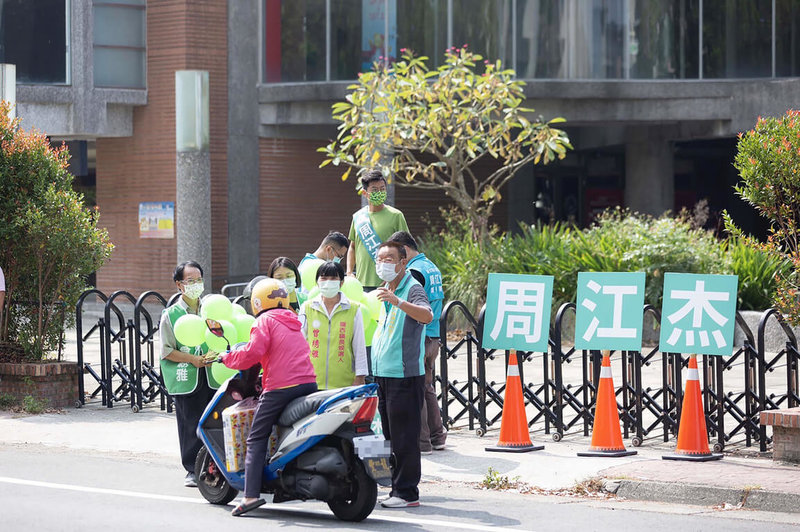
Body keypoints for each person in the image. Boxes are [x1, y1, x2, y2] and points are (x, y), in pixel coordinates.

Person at [218, 278, 318, 517]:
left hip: (281, 387)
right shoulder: (294, 319)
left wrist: (227, 357)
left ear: (257, 302)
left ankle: (250, 495)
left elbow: (253, 353)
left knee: (256, 437)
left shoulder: (264, 320)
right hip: (308, 383)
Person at [371, 241, 432, 508]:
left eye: (389, 259)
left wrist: (399, 301)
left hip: (404, 375)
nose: (383, 264)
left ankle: (407, 492)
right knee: (388, 435)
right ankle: (396, 486)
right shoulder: (385, 290)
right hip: (383, 374)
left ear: (402, 262)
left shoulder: (412, 288)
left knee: (405, 436)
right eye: (379, 259)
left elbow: (427, 315)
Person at [387, 231, 447, 454]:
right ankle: (437, 435)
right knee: (426, 387)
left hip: (420, 337)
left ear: (404, 250)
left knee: (416, 390)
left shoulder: (414, 271)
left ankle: (422, 443)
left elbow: (414, 305)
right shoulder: (430, 265)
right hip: (433, 336)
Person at [159, 260, 215, 488]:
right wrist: (194, 360)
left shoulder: (212, 308)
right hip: (187, 375)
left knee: (213, 421)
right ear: (179, 285)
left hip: (212, 374)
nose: (196, 285)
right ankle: (192, 468)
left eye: (199, 280)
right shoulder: (170, 315)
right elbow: (166, 351)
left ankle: (215, 465)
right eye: (190, 281)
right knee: (189, 422)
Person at [299, 261, 368, 389]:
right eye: (324, 278)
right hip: (312, 381)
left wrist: (360, 377)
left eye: (333, 278)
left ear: (341, 282)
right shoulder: (307, 307)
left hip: (344, 382)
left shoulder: (353, 309)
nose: (328, 282)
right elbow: (299, 343)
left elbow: (359, 345)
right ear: (317, 282)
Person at [347, 169, 409, 291]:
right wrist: (349, 272)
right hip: (361, 284)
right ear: (365, 193)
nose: (379, 192)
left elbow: (406, 248)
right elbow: (353, 247)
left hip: (388, 283)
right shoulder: (358, 217)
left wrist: (396, 274)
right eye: (374, 190)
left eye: (382, 189)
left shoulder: (396, 216)